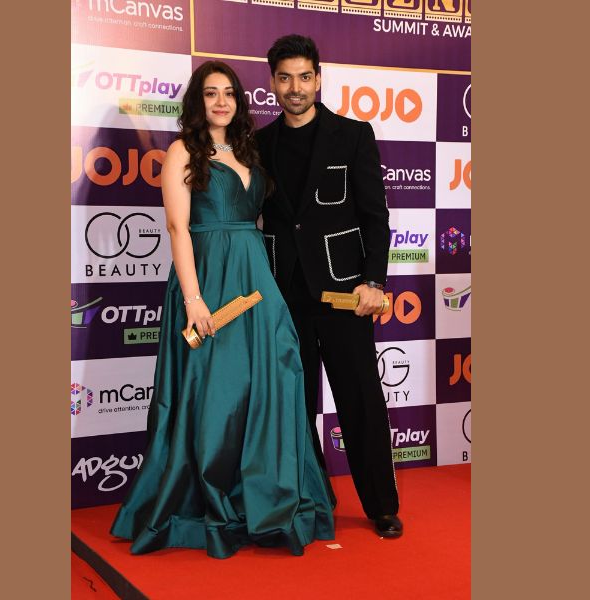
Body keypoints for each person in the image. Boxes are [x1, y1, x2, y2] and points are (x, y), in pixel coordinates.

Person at [110, 60, 335, 559]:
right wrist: (194, 300)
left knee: (273, 381)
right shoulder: (182, 152)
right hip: (209, 278)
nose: (221, 101)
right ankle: (210, 503)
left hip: (255, 280)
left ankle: (266, 498)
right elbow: (177, 228)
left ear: (239, 100)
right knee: (216, 392)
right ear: (198, 100)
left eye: (229, 92)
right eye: (211, 93)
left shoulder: (249, 151)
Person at [256, 35, 403, 538]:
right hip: (284, 296)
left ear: (318, 79)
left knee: (361, 401)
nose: (295, 88)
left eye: (304, 77)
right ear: (272, 82)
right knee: (294, 406)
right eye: (285, 78)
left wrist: (374, 280)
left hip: (344, 295)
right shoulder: (260, 144)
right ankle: (314, 499)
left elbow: (375, 217)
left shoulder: (352, 135)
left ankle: (382, 505)